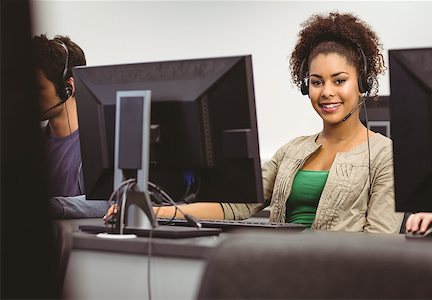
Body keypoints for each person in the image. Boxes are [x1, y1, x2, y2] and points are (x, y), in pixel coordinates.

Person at [104, 12, 403, 233]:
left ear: (363, 82)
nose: (326, 92)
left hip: (339, 277)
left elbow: (381, 239)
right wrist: (156, 211)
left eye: (339, 80)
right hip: (276, 268)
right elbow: (238, 205)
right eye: (316, 82)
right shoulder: (292, 151)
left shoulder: (383, 155)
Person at [32, 34, 109, 218]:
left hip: (87, 243)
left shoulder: (103, 142)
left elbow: (112, 201)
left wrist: (51, 205)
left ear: (68, 88)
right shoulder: (31, 144)